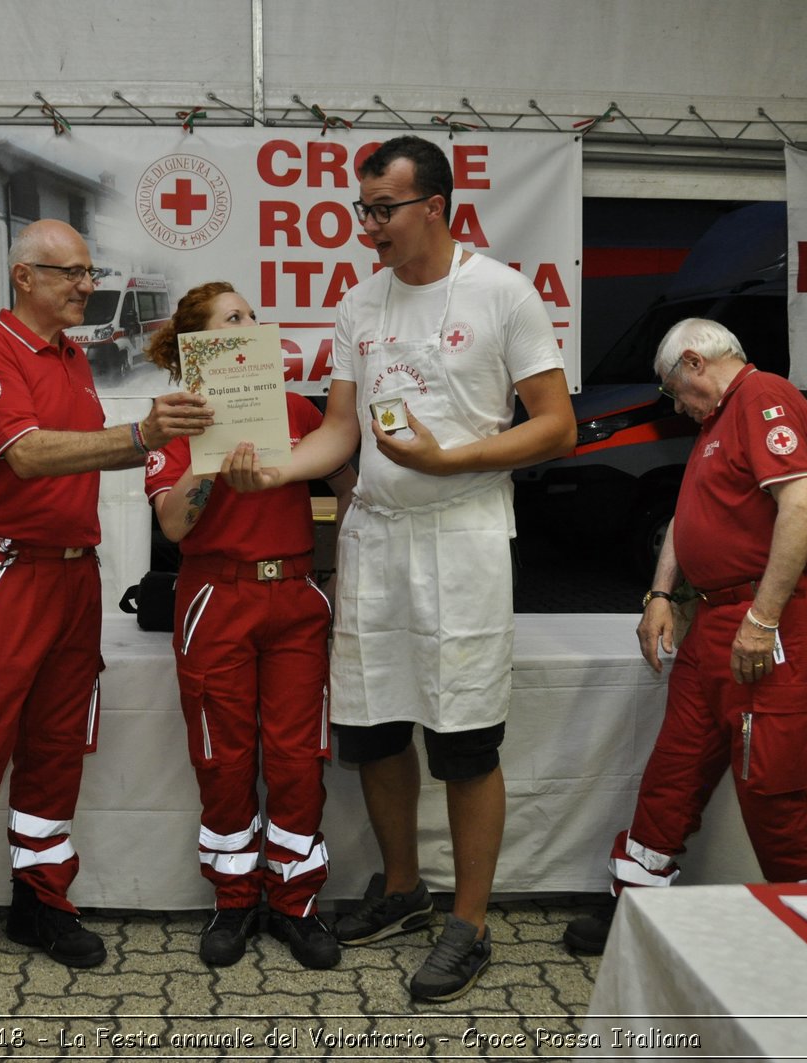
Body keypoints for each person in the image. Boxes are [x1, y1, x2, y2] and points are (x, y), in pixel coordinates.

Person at [221, 135, 576, 1001]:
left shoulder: (501, 293)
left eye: (383, 209)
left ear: (435, 207)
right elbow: (342, 430)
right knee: (376, 730)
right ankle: (404, 889)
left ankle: (471, 923)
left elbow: (556, 424)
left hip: (462, 541)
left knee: (462, 739)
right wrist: (275, 467)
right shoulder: (359, 303)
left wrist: (452, 460)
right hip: (374, 542)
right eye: (362, 209)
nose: (368, 226)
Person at [0, 219, 214, 995]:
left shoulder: (71, 356)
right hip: (2, 572)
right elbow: (28, 453)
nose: (86, 285)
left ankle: (40, 902)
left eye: (88, 271)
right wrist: (140, 434)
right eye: (70, 273)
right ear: (23, 278)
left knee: (57, 748)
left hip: (73, 576)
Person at [562, 318, 807, 955]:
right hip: (717, 617)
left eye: (673, 392)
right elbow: (692, 518)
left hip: (770, 617)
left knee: (770, 780)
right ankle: (635, 898)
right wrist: (662, 595)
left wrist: (763, 618)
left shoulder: (763, 397)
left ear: (693, 363)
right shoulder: (721, 419)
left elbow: (802, 507)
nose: (677, 407)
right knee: (676, 764)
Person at [142, 282, 357, 970]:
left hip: (293, 596)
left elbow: (349, 487)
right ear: (198, 344)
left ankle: (295, 902)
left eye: (253, 317)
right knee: (223, 755)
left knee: (298, 757)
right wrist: (212, 455)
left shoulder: (295, 407)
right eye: (233, 319)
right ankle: (235, 900)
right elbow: (174, 523)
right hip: (216, 598)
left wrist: (339, 571)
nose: (251, 327)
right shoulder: (171, 419)